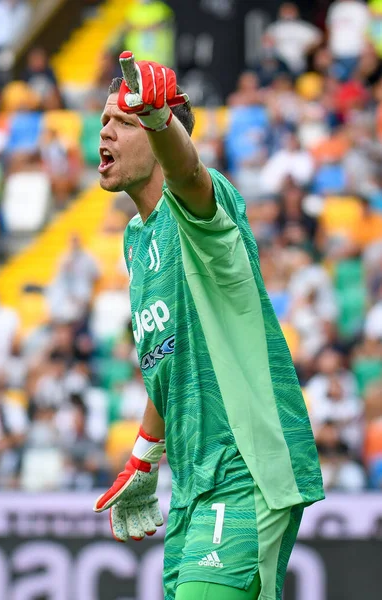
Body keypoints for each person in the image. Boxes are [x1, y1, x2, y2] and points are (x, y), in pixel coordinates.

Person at [93, 52, 324, 600]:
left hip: (247, 472)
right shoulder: (136, 238)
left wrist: (157, 118)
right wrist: (146, 452)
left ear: (158, 133)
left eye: (123, 123)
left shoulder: (201, 204)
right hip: (193, 486)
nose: (105, 131)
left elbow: (189, 174)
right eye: (104, 120)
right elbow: (169, 355)